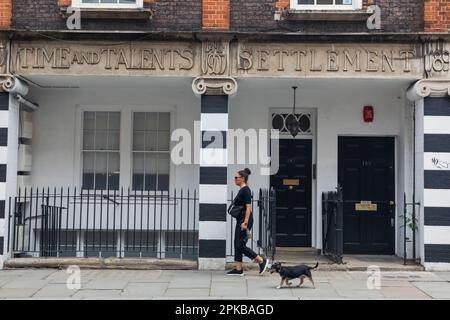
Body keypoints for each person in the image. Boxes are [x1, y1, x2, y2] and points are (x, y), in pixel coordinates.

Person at [227, 168, 269, 276]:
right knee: (237, 243)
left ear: (243, 178)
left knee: (240, 244)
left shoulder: (246, 190)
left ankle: (261, 260)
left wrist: (245, 222)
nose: (234, 179)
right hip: (240, 220)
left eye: (236, 177)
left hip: (244, 220)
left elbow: (248, 207)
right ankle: (238, 269)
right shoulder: (242, 190)